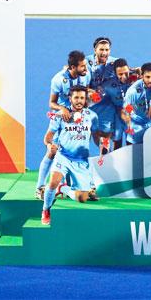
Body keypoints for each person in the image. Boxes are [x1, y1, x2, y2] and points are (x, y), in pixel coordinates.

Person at [35, 50, 91, 200]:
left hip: (78, 119)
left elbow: (85, 93)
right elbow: (51, 103)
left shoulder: (85, 75)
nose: (86, 69)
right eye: (82, 66)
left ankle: (69, 188)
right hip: (63, 119)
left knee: (72, 151)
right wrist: (63, 109)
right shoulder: (58, 79)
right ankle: (39, 187)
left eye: (85, 65)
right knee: (53, 151)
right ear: (73, 67)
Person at [41, 86, 99, 225]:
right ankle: (46, 209)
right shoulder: (60, 116)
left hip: (81, 161)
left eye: (82, 98)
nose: (79, 101)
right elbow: (47, 138)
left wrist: (102, 145)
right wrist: (50, 146)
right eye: (76, 97)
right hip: (64, 156)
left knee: (82, 198)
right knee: (53, 182)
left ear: (86, 100)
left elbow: (96, 135)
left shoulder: (92, 116)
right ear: (70, 98)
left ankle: (64, 188)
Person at [122, 63, 151, 144]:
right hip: (137, 127)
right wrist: (134, 116)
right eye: (147, 77)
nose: (150, 80)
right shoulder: (133, 91)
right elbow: (126, 108)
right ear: (142, 76)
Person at [100, 58, 133, 150]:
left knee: (131, 143)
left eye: (126, 73)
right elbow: (94, 98)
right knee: (117, 142)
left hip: (132, 115)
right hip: (117, 116)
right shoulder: (108, 85)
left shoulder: (136, 78)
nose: (124, 76)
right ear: (115, 73)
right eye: (120, 74)